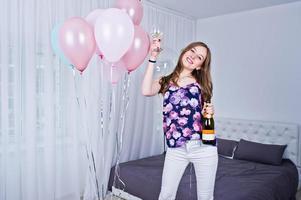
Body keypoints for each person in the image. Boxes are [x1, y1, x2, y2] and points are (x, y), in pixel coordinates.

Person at [141, 37, 218, 200]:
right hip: (175, 148)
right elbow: (146, 90)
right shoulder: (165, 81)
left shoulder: (202, 85)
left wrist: (210, 112)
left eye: (199, 57)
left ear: (200, 66)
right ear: (185, 51)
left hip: (203, 148)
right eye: (192, 51)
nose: (193, 57)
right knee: (166, 195)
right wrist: (152, 57)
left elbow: (205, 117)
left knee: (205, 198)